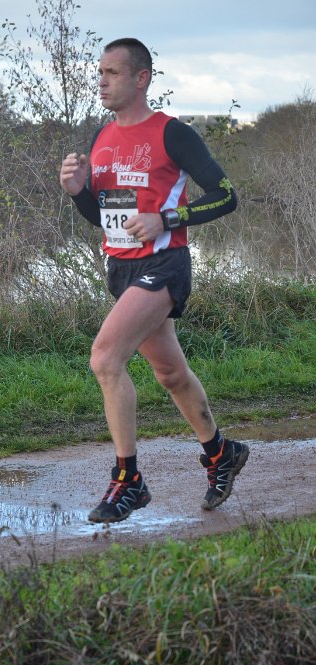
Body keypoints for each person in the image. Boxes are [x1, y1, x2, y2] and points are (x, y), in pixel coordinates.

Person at [59, 38, 249, 524]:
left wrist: (167, 218)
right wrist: (78, 192)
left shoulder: (173, 134)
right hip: (122, 269)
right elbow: (105, 218)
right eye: (99, 72)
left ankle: (129, 481)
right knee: (170, 374)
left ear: (141, 78)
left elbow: (225, 195)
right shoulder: (102, 137)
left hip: (164, 265)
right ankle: (221, 453)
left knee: (105, 358)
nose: (101, 81)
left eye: (112, 73)